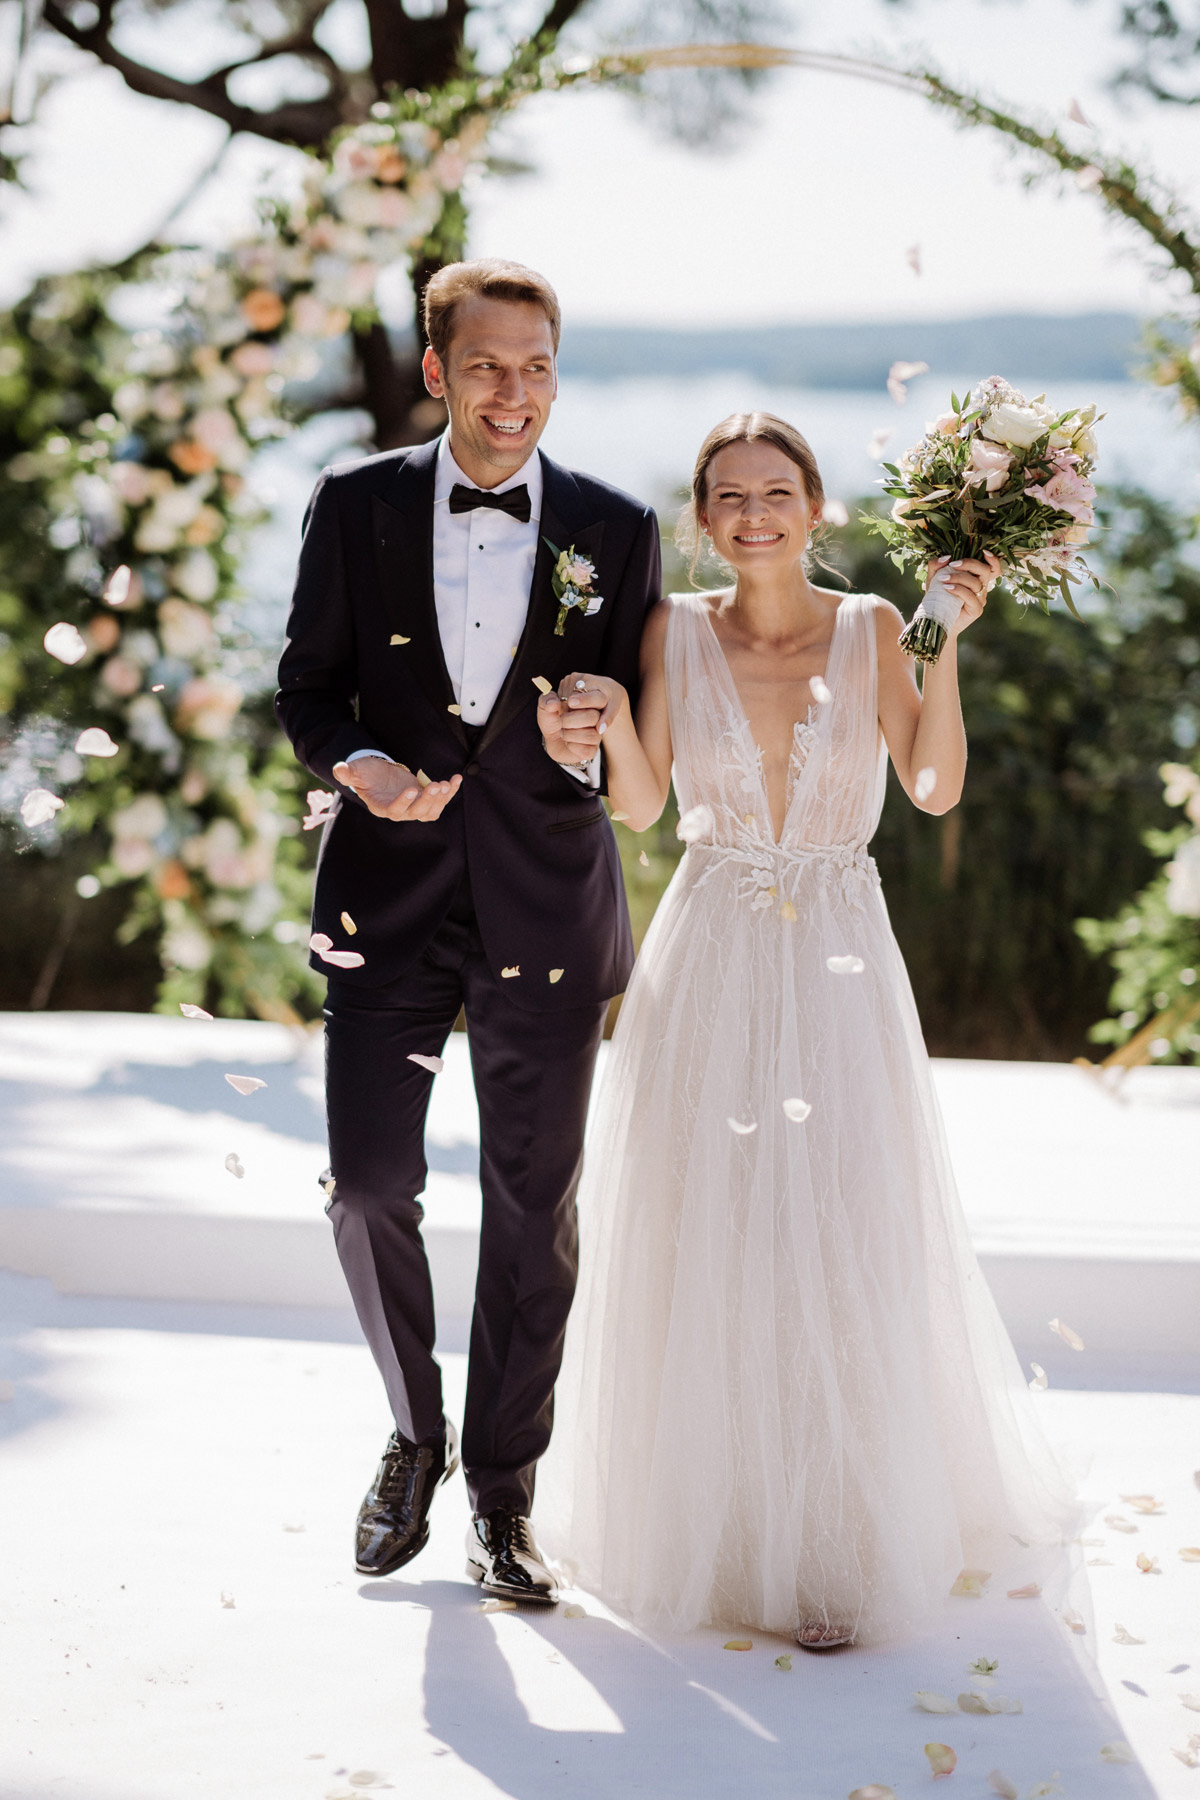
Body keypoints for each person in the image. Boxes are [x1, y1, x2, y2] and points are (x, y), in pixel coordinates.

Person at [535, 411, 1075, 1648]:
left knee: (839, 1227)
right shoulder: (672, 627)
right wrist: (606, 712)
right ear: (703, 518)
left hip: (837, 952)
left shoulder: (879, 625)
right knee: (710, 1226)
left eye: (778, 490)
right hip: (710, 946)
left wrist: (946, 644)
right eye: (730, 495)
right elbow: (640, 804)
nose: (755, 513)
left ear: (816, 507)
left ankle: (836, 1542)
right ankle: (719, 1536)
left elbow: (933, 785)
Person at [275, 259, 660, 1602]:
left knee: (529, 1208)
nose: (516, 393)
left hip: (548, 901)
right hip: (384, 899)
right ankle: (414, 1432)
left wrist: (592, 733)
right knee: (370, 1186)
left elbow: (636, 733)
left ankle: (505, 1497)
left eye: (539, 364)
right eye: (488, 365)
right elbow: (308, 686)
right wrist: (361, 767)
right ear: (437, 370)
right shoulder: (354, 505)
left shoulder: (616, 525)